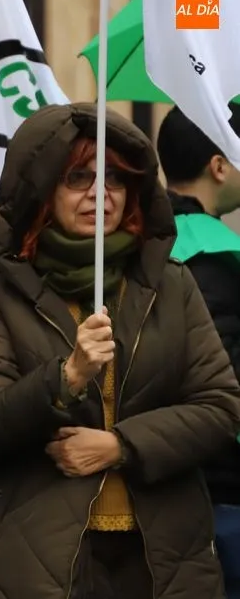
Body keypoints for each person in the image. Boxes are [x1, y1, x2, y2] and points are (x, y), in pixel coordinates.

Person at [0, 102, 240, 599]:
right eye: (78, 177)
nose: (99, 193)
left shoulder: (171, 283)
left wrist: (122, 446)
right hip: (40, 557)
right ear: (43, 189)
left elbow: (220, 406)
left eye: (115, 179)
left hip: (163, 556)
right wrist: (66, 376)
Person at [157, 104, 240, 597]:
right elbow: (227, 381)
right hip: (220, 493)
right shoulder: (212, 261)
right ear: (219, 166)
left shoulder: (148, 239)